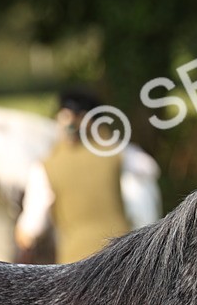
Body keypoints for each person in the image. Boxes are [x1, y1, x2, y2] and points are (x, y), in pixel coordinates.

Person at [15, 90, 157, 263]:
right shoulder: (118, 152)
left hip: (76, 265)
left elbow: (31, 228)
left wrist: (23, 238)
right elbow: (149, 169)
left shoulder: (47, 166)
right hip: (122, 258)